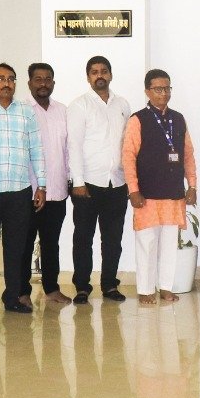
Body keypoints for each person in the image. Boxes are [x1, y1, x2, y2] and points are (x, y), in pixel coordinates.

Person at [122, 70, 197, 305]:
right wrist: (133, 189)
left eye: (167, 88)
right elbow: (128, 156)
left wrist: (192, 185)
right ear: (147, 91)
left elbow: (188, 155)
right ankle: (145, 290)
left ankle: (165, 287)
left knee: (169, 244)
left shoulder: (178, 119)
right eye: (158, 89)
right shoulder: (137, 120)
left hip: (173, 193)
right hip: (147, 194)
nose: (163, 93)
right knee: (146, 243)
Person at [0, 63, 46, 315]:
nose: (6, 83)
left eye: (10, 79)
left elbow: (36, 149)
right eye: (0, 79)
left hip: (19, 191)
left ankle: (13, 297)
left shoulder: (27, 112)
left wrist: (42, 185)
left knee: (16, 250)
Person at [68, 55, 132, 304]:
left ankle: (109, 285)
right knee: (83, 238)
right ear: (88, 77)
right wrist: (78, 181)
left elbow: (128, 144)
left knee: (113, 239)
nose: (100, 75)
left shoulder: (123, 104)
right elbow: (74, 145)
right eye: (94, 72)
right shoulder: (79, 105)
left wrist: (130, 180)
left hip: (117, 183)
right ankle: (82, 287)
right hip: (87, 184)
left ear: (111, 74)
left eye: (104, 71)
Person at [24, 63, 72, 306]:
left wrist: (71, 179)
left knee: (51, 243)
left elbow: (69, 149)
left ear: (53, 82)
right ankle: (21, 291)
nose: (43, 83)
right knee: (24, 243)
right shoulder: (22, 110)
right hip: (29, 191)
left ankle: (52, 289)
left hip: (57, 189)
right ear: (29, 83)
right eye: (38, 79)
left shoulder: (63, 111)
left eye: (47, 79)